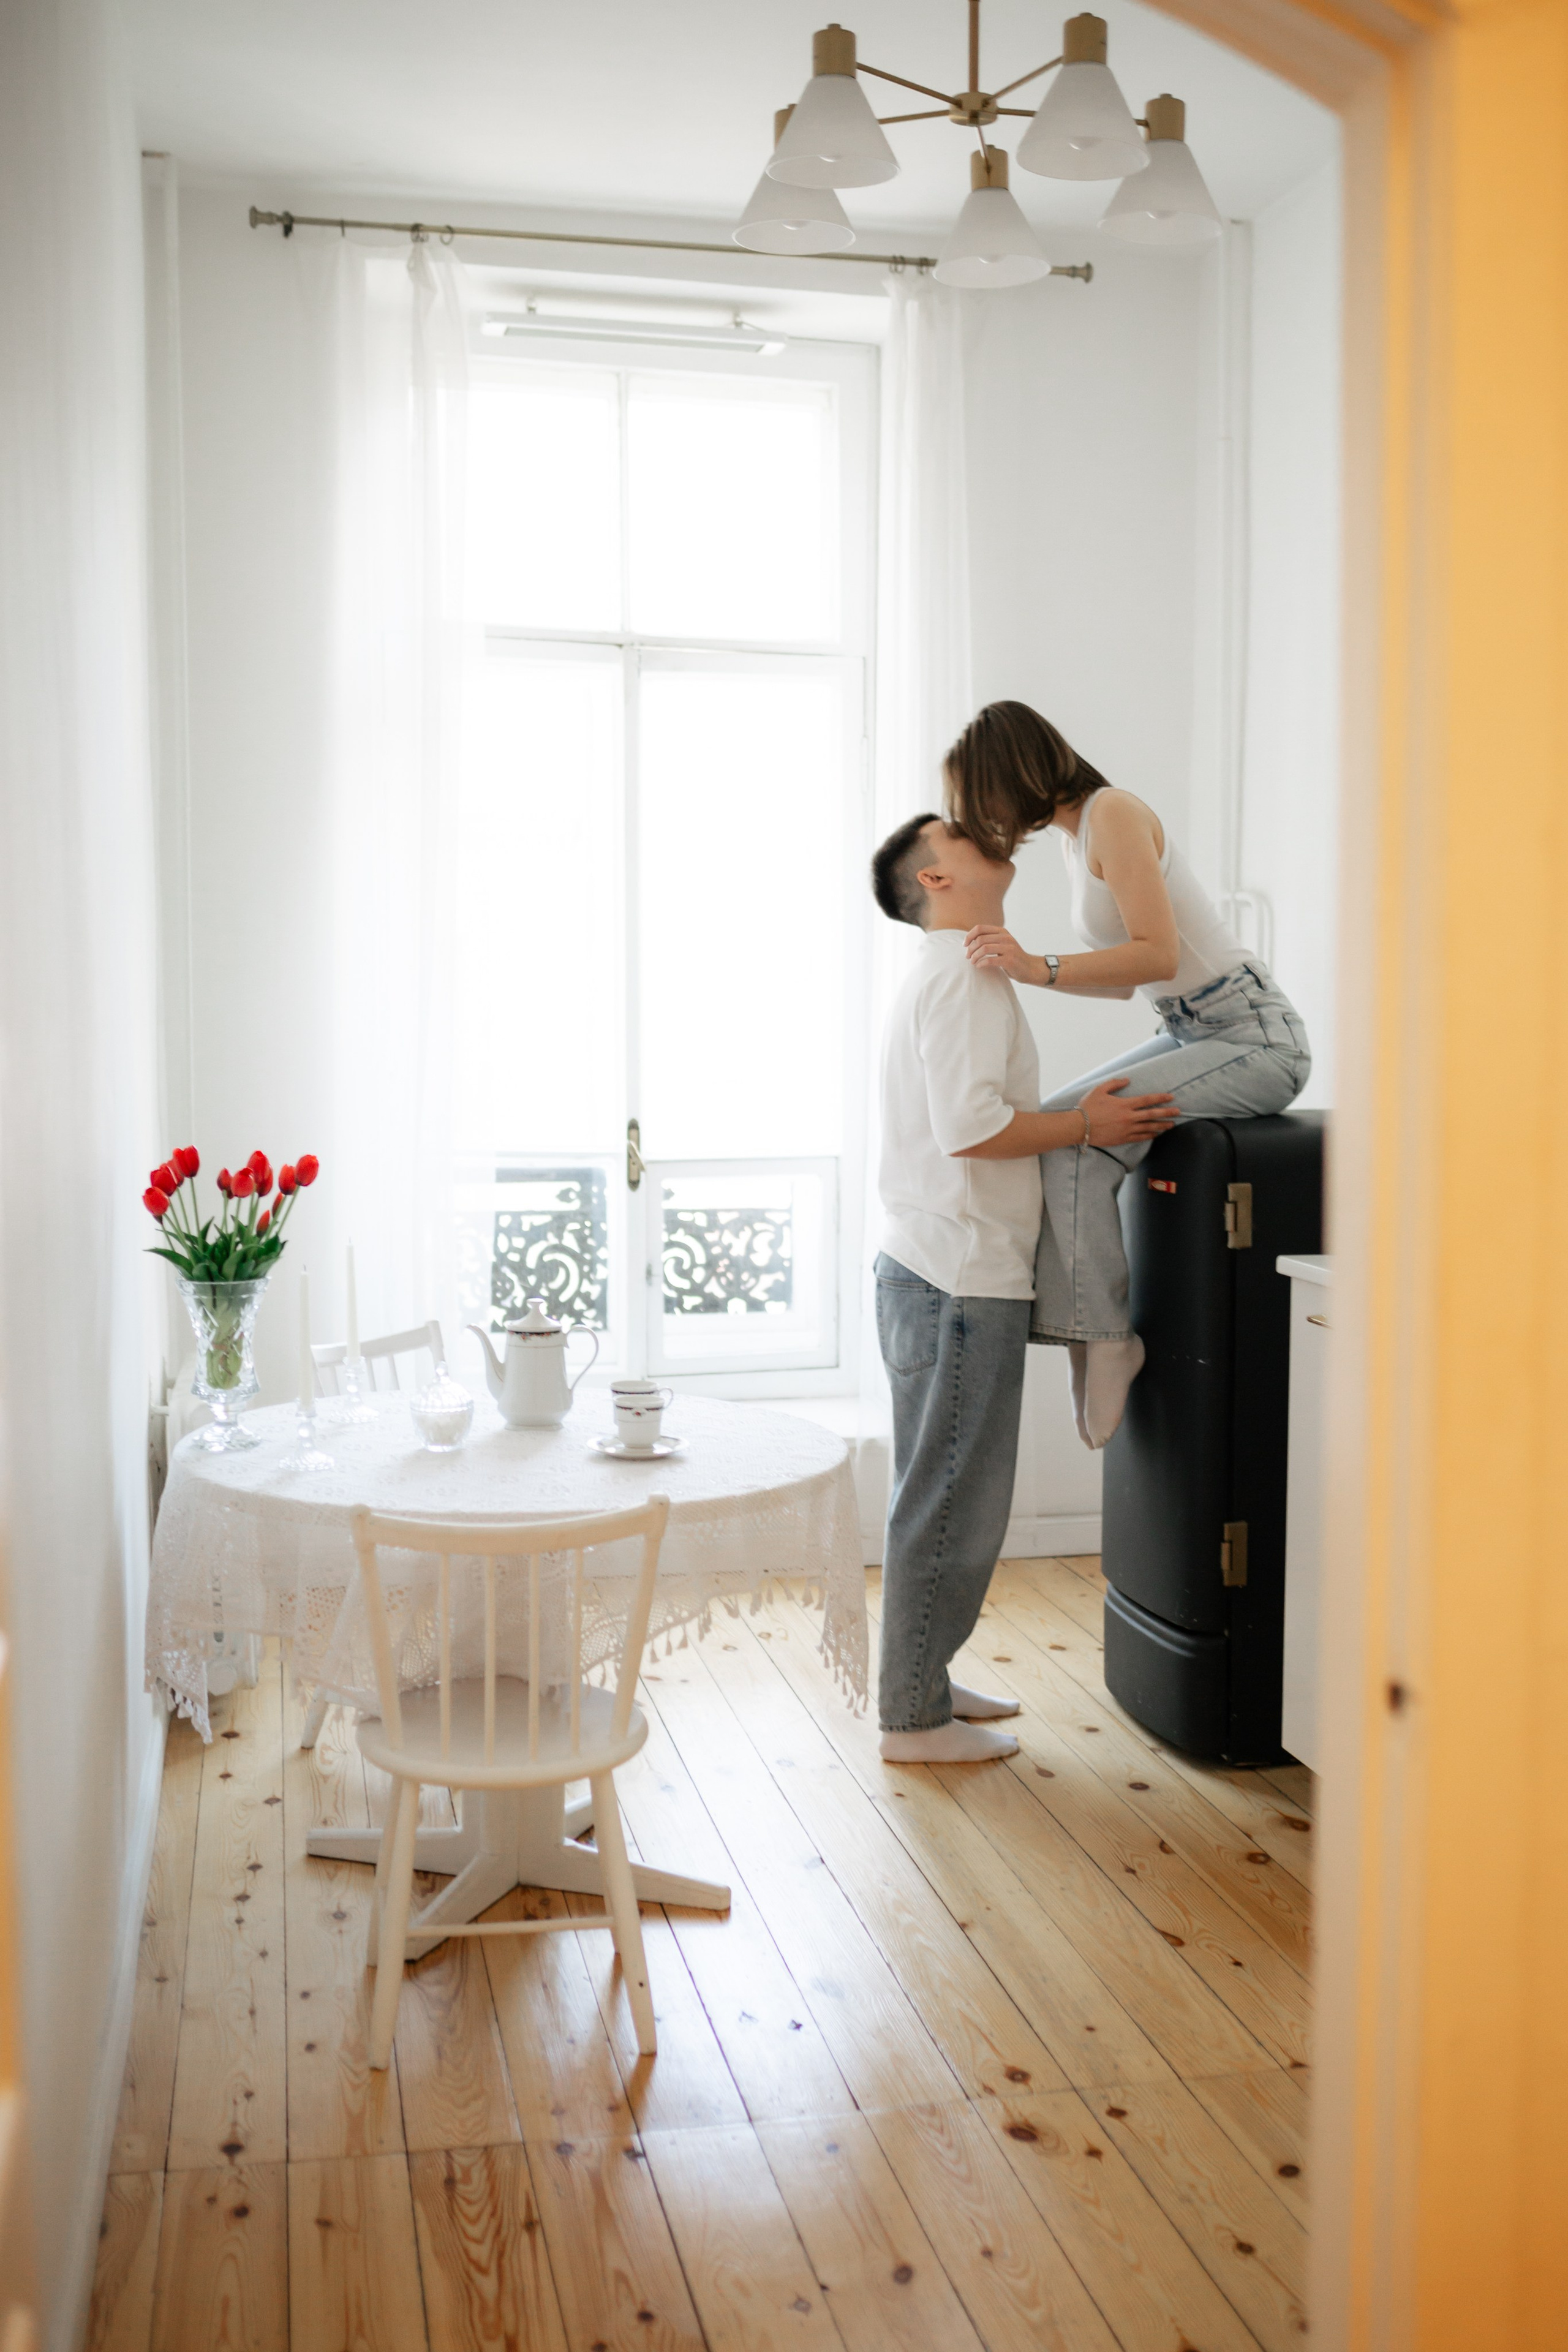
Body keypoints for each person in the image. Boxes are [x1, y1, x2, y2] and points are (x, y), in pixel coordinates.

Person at [870, 813, 1176, 1762]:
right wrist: (1086, 1125)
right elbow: (971, 1128)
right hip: (958, 1278)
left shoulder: (957, 969)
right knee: (955, 1501)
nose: (985, 833)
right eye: (956, 834)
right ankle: (912, 1719)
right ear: (937, 881)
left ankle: (923, 1678)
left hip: (937, 1267)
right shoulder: (962, 973)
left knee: (942, 1494)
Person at [944, 699, 1312, 1450]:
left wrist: (1032, 964)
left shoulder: (1110, 811)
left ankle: (1107, 1338)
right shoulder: (1074, 838)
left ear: (1011, 773)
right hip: (1192, 1026)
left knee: (1075, 1138)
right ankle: (1091, 1335)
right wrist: (1021, 973)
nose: (977, 818)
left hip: (1257, 1036)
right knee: (1057, 1126)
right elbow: (1120, 985)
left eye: (977, 798)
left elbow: (1158, 955)